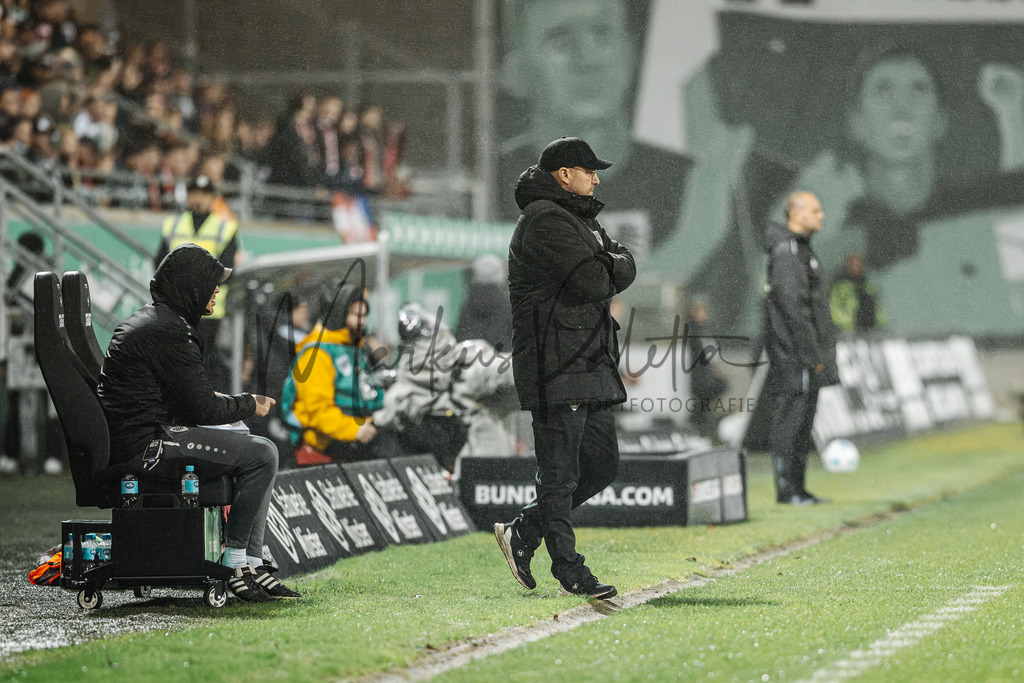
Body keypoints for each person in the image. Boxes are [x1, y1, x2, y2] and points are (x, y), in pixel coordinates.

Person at [97, 244, 300, 602]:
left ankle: (251, 561)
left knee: (256, 448)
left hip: (147, 438)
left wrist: (230, 405)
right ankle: (237, 563)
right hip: (147, 449)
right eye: (210, 283)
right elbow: (202, 410)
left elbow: (187, 398)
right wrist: (248, 403)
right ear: (190, 286)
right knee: (262, 454)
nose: (216, 290)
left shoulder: (162, 322)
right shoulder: (168, 331)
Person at [495, 136, 635, 599]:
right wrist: (611, 262)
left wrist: (612, 262)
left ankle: (524, 530)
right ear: (564, 175)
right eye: (589, 170)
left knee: (603, 466)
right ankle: (569, 570)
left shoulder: (578, 220)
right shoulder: (543, 222)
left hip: (588, 362)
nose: (596, 177)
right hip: (555, 364)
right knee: (560, 475)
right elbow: (598, 279)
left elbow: (625, 263)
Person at [496, 0, 689, 256]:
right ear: (515, 71)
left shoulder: (685, 183)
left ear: (631, 54)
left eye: (602, 35)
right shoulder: (494, 184)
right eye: (560, 42)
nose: (587, 60)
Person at [762, 192, 840, 505]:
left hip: (804, 356)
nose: (821, 215)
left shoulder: (803, 250)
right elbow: (793, 308)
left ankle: (799, 488)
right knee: (790, 423)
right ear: (796, 213)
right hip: (794, 357)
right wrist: (811, 355)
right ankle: (787, 491)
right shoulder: (787, 251)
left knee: (803, 424)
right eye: (815, 210)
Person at [280, 283, 393, 464]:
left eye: (364, 316)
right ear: (339, 314)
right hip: (325, 445)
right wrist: (354, 429)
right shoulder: (316, 354)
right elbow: (317, 410)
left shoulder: (351, 348)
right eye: (357, 315)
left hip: (356, 435)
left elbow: (369, 392)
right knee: (388, 452)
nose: (362, 322)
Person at [154, 175, 240, 389]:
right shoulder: (172, 224)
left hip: (209, 309)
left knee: (205, 360)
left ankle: (210, 410)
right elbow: (159, 262)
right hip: (177, 307)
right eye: (194, 193)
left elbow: (228, 269)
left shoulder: (225, 227)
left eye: (204, 194)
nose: (198, 198)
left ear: (212, 198)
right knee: (177, 359)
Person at [829, 253, 886, 334]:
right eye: (852, 263)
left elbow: (878, 310)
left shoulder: (868, 286)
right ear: (847, 265)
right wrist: (852, 323)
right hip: (847, 334)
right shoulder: (839, 287)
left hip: (869, 334)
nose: (856, 266)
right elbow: (834, 311)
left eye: (858, 263)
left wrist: (881, 327)